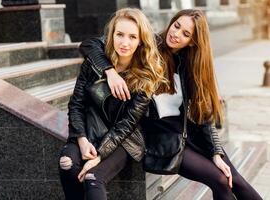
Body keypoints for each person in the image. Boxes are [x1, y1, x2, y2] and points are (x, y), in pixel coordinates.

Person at [79, 9, 262, 200]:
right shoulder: (148, 44)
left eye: (185, 34)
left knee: (234, 180)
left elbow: (203, 115)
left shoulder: (191, 63)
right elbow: (90, 44)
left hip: (189, 132)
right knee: (221, 179)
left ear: (193, 41)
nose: (176, 34)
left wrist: (215, 152)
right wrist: (110, 72)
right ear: (171, 22)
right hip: (163, 137)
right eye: (176, 26)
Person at [58, 8, 166, 200]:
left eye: (133, 37)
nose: (125, 43)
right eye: (120, 34)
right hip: (91, 129)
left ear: (141, 40)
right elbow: (76, 105)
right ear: (111, 35)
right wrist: (82, 140)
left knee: (92, 177)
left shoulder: (146, 77)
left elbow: (126, 125)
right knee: (67, 163)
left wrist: (99, 156)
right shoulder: (95, 63)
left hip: (124, 139)